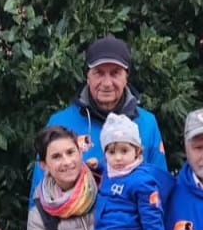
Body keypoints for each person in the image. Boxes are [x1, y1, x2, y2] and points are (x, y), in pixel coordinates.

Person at [29, 35, 168, 200]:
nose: (107, 83)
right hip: (73, 216)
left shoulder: (147, 123)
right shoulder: (60, 123)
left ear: (126, 76)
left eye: (115, 73)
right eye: (99, 73)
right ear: (88, 76)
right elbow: (40, 193)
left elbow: (161, 189)